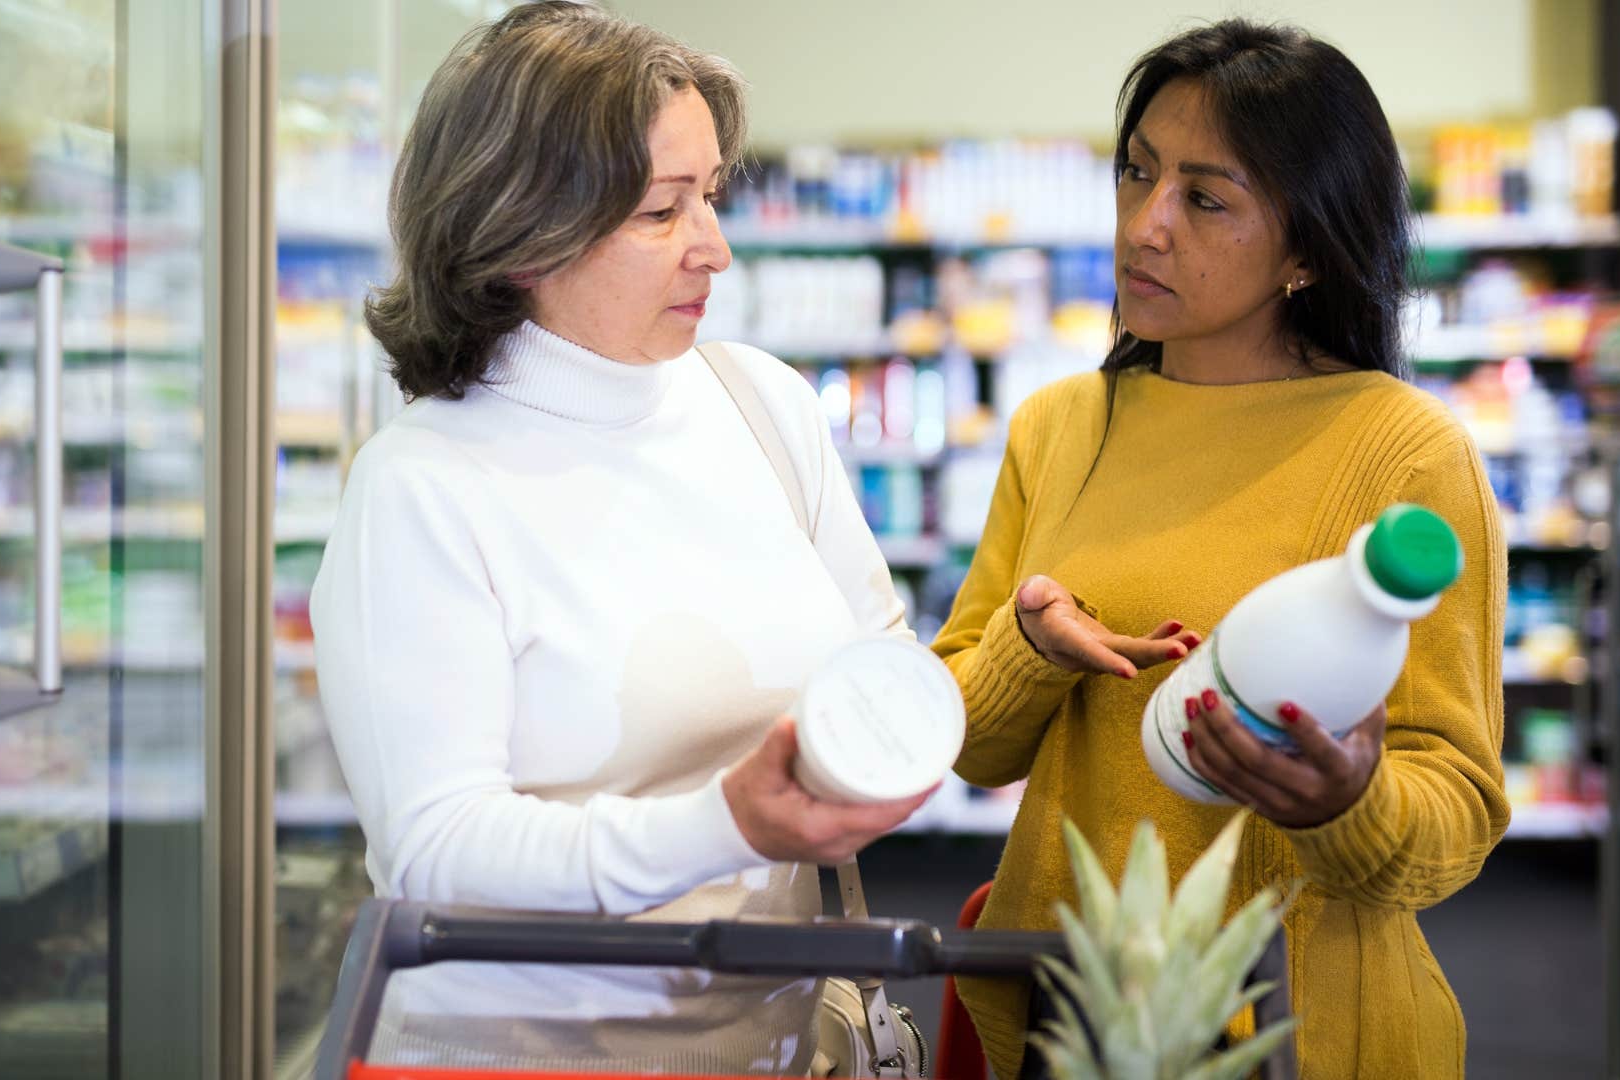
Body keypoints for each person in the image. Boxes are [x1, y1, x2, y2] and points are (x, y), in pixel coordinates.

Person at [310, 3, 938, 1071]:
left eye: (712, 195)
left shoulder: (760, 406)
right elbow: (439, 850)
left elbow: (877, 657)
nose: (716, 249)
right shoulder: (424, 485)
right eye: (662, 211)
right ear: (522, 234)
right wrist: (731, 824)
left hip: (776, 1045)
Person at [935, 19, 1508, 1080]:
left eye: (1204, 198)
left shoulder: (1407, 454)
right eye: (1137, 173)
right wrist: (1033, 648)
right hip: (1067, 1006)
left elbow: (1460, 811)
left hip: (1301, 1025)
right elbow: (966, 744)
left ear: (1305, 249)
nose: (1145, 225)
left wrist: (1350, 801)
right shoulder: (1060, 427)